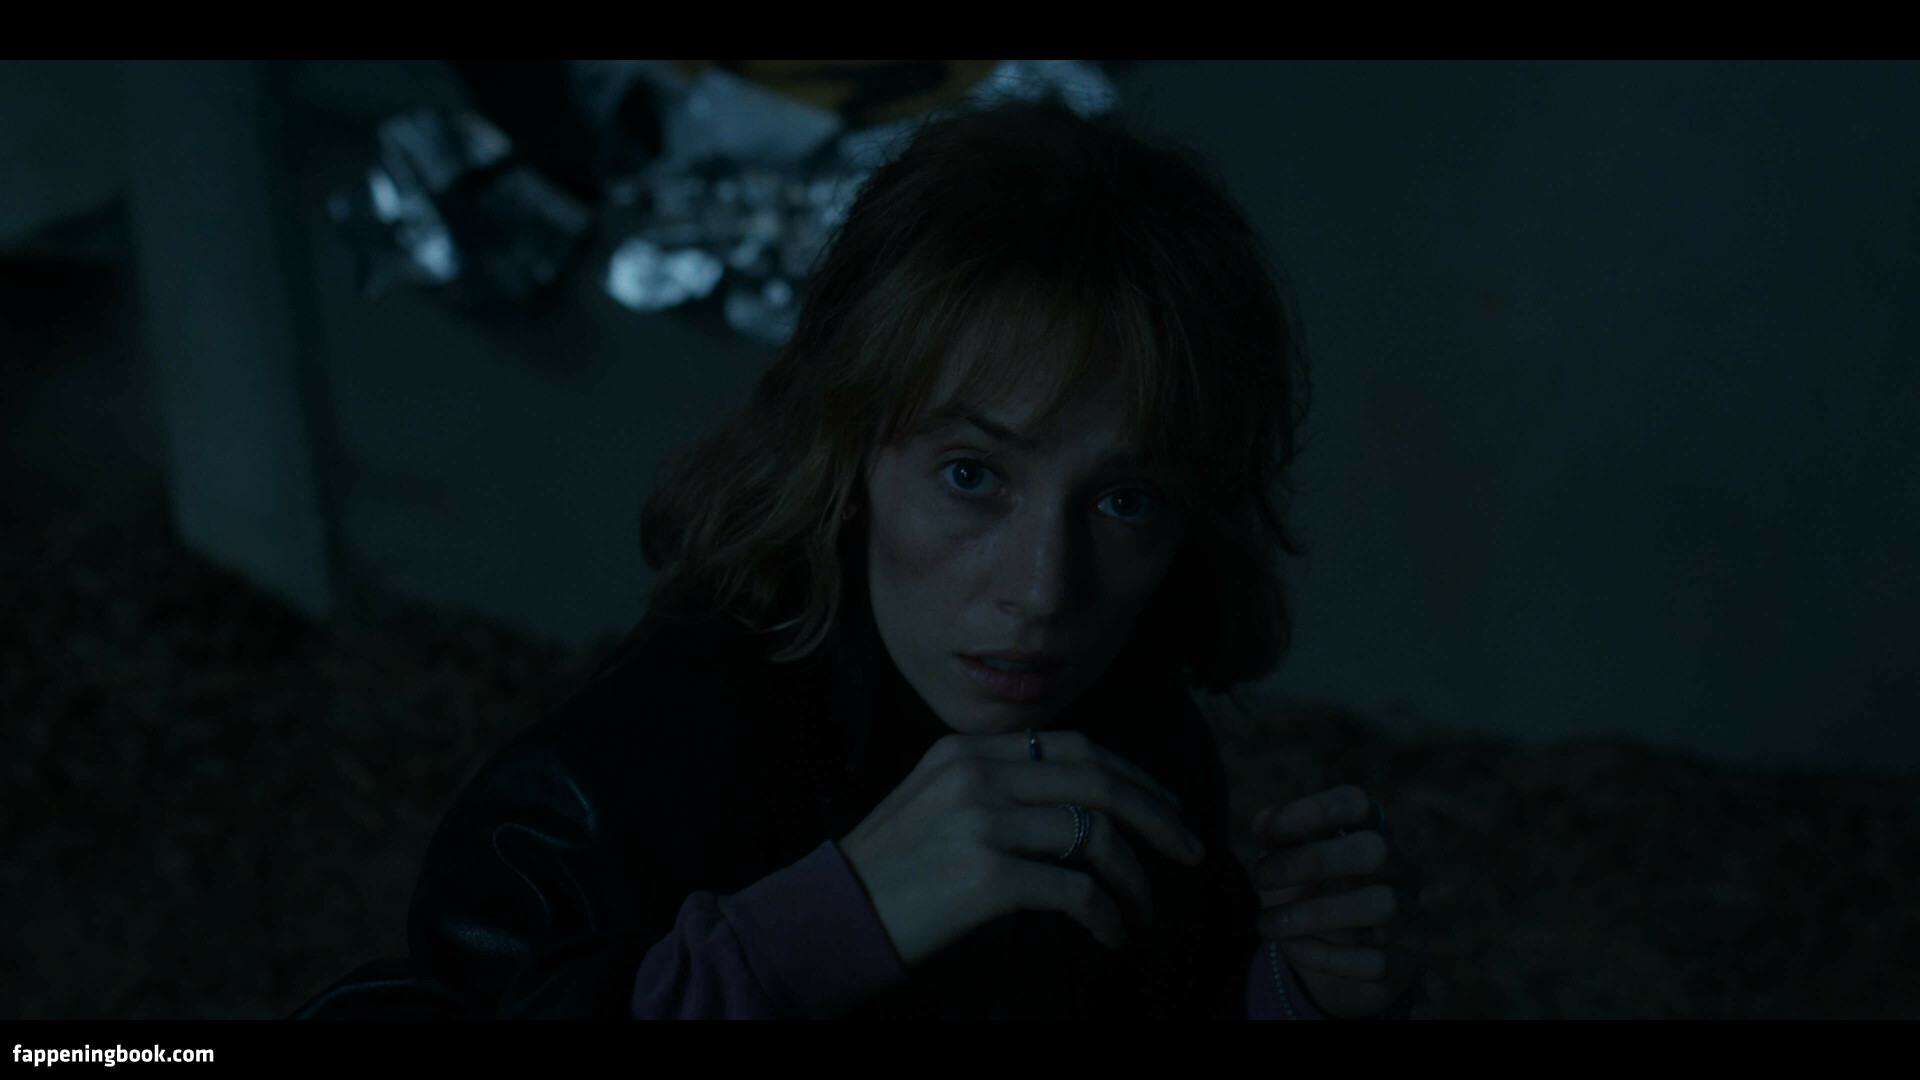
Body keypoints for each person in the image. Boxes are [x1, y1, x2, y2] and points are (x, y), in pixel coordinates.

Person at [293, 93, 1428, 1020]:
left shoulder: (1138, 736)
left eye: (1125, 500)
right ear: (849, 451)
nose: (1043, 591)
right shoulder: (617, 787)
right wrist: (815, 932)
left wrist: (1292, 996)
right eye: (972, 475)